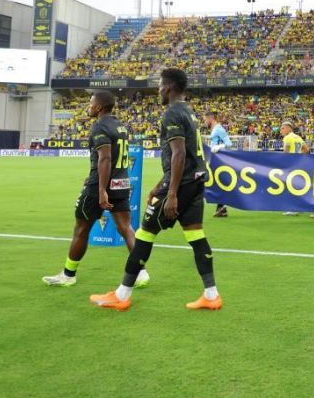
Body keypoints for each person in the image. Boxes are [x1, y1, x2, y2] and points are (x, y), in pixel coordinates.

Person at [90, 68, 220, 311]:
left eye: (160, 85)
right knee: (195, 235)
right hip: (195, 181)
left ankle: (122, 295)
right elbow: (187, 155)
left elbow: (179, 155)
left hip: (181, 185)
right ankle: (212, 295)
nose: (158, 89)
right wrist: (159, 186)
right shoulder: (188, 112)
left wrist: (170, 193)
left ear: (169, 87)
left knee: (144, 234)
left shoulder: (172, 113)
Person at [43, 91, 149, 288]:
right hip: (122, 183)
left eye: (91, 103)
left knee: (81, 229)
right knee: (126, 228)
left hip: (101, 186)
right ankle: (141, 272)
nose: (88, 107)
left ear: (99, 107)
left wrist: (101, 189)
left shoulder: (100, 126)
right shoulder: (120, 126)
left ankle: (68, 275)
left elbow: (106, 158)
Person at [205, 112, 233, 218]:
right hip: (216, 159)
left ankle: (222, 208)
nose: (204, 122)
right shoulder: (215, 129)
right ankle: (222, 209)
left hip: (221, 160)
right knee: (218, 183)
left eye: (205, 120)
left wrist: (219, 146)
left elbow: (229, 144)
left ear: (211, 118)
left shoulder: (219, 129)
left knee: (218, 182)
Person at [280, 121, 309, 216]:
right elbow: (306, 150)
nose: (281, 130)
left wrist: (284, 163)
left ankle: (293, 208)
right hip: (300, 165)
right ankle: (300, 207)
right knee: (299, 187)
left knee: (291, 186)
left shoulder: (287, 138)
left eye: (283, 128)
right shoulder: (298, 137)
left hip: (291, 165)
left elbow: (286, 152)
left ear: (289, 128)